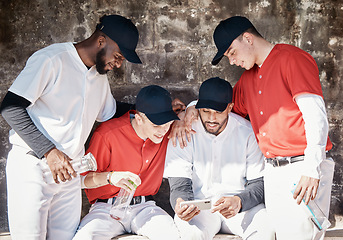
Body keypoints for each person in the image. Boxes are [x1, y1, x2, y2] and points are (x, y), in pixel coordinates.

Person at [176, 16, 334, 240]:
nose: (231, 61)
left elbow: (315, 113)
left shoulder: (292, 58)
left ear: (247, 38)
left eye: (231, 52)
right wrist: (193, 107)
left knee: (302, 235)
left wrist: (312, 168)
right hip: (272, 171)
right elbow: (222, 105)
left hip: (301, 166)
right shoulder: (248, 80)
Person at [0, 14, 142, 240]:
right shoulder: (52, 59)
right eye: (118, 56)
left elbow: (111, 111)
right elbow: (11, 108)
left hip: (69, 173)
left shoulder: (98, 76)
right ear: (101, 41)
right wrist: (49, 151)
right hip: (33, 168)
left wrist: (151, 109)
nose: (118, 63)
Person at [164, 77, 275, 240]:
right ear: (197, 106)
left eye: (218, 112)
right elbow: (179, 184)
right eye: (206, 111)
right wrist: (181, 203)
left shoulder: (248, 132)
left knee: (266, 227)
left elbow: (258, 184)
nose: (211, 118)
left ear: (230, 108)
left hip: (239, 207)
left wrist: (239, 201)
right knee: (187, 232)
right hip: (200, 208)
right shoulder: (184, 131)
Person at [73, 85, 181, 240]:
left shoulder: (167, 132)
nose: (163, 130)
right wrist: (110, 177)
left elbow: (194, 112)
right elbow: (81, 180)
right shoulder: (107, 134)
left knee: (171, 236)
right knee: (84, 237)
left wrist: (185, 113)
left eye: (168, 123)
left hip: (145, 208)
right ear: (139, 118)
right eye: (156, 125)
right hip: (106, 209)